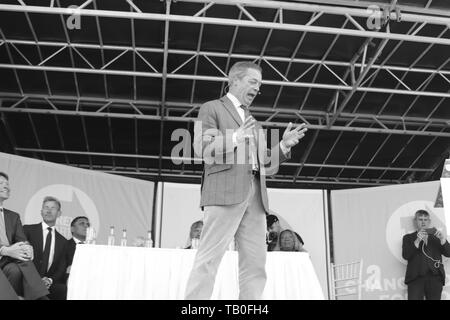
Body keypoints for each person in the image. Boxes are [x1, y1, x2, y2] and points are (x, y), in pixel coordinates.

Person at [185, 61, 307, 300]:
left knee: (256, 263)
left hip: (256, 197)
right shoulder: (212, 108)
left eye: (259, 85)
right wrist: (236, 137)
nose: (257, 88)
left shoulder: (254, 122)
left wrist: (283, 146)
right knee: (209, 259)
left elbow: (265, 164)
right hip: (223, 192)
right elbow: (202, 147)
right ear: (234, 80)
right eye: (253, 82)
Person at [0, 172, 49, 300]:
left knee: (18, 266)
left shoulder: (13, 216)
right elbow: (9, 250)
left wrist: (28, 248)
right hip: (6, 256)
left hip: (7, 261)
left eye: (7, 184)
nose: (6, 187)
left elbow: (22, 240)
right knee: (17, 267)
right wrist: (5, 250)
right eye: (1, 183)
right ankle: (41, 297)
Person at [23, 196, 68, 300]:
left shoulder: (63, 241)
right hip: (28, 279)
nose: (48, 210)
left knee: (63, 289)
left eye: (53, 208)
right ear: (41, 211)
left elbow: (61, 268)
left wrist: (49, 280)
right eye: (46, 207)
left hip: (48, 284)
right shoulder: (28, 230)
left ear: (59, 213)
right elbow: (21, 257)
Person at [402, 209, 450, 300]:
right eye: (420, 219)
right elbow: (406, 255)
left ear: (429, 221)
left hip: (435, 278)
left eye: (425, 219)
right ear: (415, 221)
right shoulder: (408, 238)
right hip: (415, 278)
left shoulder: (437, 237)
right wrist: (417, 241)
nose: (423, 222)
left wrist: (443, 240)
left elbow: (448, 253)